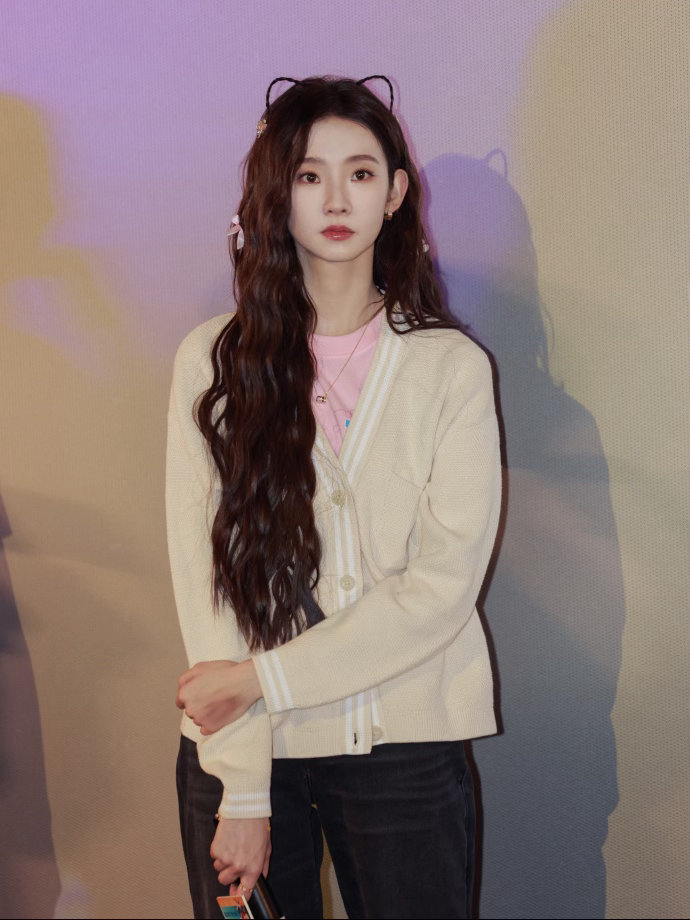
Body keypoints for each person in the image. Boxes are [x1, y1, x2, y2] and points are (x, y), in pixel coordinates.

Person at [168, 75, 501, 920]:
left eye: (360, 173)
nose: (336, 199)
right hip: (246, 752)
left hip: (404, 749)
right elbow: (207, 580)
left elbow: (441, 589)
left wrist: (263, 679)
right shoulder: (213, 362)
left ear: (395, 193)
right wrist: (244, 788)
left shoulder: (449, 369)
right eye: (309, 175)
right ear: (275, 195)